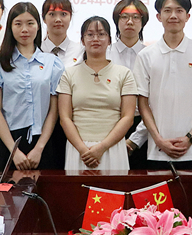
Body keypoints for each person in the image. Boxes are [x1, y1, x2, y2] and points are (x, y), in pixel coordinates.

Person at [132, 0, 192, 170]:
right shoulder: (145, 55)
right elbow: (143, 103)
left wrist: (190, 137)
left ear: (187, 16)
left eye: (179, 11)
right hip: (158, 151)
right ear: (158, 16)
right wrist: (158, 140)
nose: (173, 16)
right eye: (167, 11)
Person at [0, 2, 64, 171]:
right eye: (18, 24)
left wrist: (39, 147)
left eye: (30, 23)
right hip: (9, 142)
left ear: (38, 26)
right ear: (10, 27)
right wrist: (14, 152)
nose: (24, 29)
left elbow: (54, 110)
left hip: (44, 142)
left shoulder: (52, 63)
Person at [58, 16, 137, 170]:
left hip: (112, 147)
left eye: (101, 34)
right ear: (82, 40)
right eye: (90, 34)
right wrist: (83, 150)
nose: (95, 39)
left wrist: (102, 147)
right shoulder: (69, 74)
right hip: (79, 149)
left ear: (109, 40)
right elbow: (65, 118)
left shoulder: (124, 74)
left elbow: (128, 117)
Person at [109, 0, 150, 169]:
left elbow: (156, 103)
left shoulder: (151, 55)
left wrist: (135, 139)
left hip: (144, 127)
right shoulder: (105, 53)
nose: (130, 22)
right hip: (109, 125)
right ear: (116, 21)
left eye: (136, 17)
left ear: (143, 22)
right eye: (124, 17)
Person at [40, 0, 80, 167]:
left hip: (74, 121)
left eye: (63, 14)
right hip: (42, 120)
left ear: (70, 17)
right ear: (43, 19)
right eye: (52, 14)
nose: (58, 19)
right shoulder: (35, 51)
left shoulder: (82, 51)